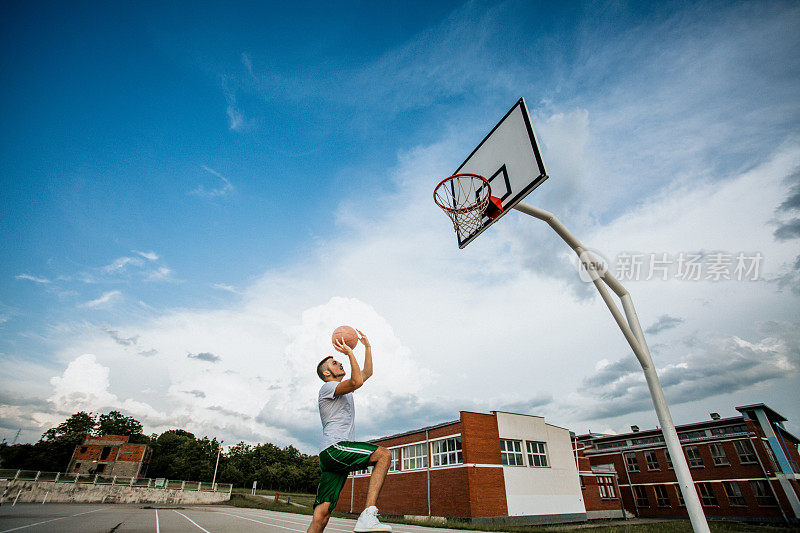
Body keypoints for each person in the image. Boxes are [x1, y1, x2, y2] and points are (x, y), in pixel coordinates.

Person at [307, 329, 392, 533]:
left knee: (322, 515)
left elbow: (366, 374)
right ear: (327, 373)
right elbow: (357, 382)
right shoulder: (327, 388)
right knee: (383, 455)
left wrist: (367, 347)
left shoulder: (342, 388)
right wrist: (350, 353)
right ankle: (368, 515)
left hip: (331, 457)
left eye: (339, 361)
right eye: (334, 363)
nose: (340, 363)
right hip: (335, 448)